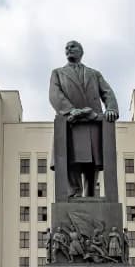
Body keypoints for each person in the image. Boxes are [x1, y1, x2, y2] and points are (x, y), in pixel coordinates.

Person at [48, 40, 119, 198]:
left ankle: (91, 194)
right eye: (66, 47)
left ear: (81, 51)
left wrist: (112, 108)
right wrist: (72, 111)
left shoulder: (94, 73)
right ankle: (74, 192)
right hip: (71, 123)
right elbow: (55, 94)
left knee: (93, 161)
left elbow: (107, 92)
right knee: (72, 159)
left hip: (93, 123)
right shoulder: (58, 73)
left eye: (73, 46)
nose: (69, 49)